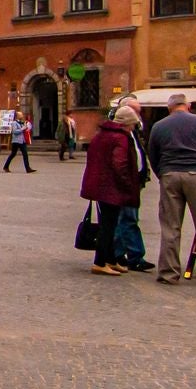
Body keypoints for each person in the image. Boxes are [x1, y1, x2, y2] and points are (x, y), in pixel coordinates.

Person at [148, 94, 196, 287]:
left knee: (170, 226)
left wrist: (162, 174)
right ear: (188, 106)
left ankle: (168, 273)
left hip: (170, 174)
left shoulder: (159, 126)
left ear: (169, 108)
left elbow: (152, 154)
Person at [79, 108, 141, 274]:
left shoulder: (101, 135)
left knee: (110, 224)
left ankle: (111, 259)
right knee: (108, 226)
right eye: (133, 124)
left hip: (101, 185)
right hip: (111, 187)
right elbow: (119, 164)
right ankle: (100, 262)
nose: (134, 128)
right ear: (127, 123)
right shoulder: (120, 138)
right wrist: (127, 184)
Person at [112, 103, 154, 272]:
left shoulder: (133, 132)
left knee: (128, 219)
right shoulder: (120, 136)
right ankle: (128, 255)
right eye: (136, 111)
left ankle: (125, 254)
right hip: (126, 185)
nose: (139, 115)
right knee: (127, 219)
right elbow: (119, 164)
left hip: (134, 182)